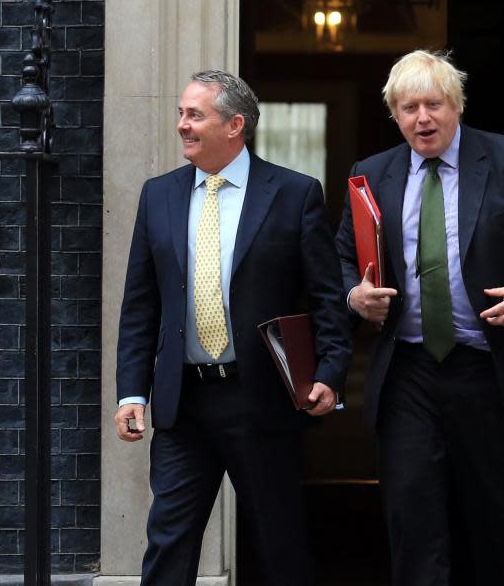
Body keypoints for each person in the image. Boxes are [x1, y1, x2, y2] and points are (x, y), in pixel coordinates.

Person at [335, 50, 504, 585]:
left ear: (457, 106)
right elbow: (339, 261)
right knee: (412, 520)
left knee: (499, 523)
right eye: (408, 108)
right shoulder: (371, 174)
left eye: (433, 105)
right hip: (408, 372)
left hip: (490, 369)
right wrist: (354, 296)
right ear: (394, 115)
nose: (422, 118)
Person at [112, 69, 351, 586]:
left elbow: (328, 300)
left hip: (260, 398)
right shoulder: (159, 196)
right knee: (168, 544)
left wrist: (331, 373)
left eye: (195, 115)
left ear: (235, 125)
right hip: (184, 405)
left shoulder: (294, 194)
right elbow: (140, 305)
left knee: (280, 544)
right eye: (181, 113)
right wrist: (132, 392)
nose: (182, 125)